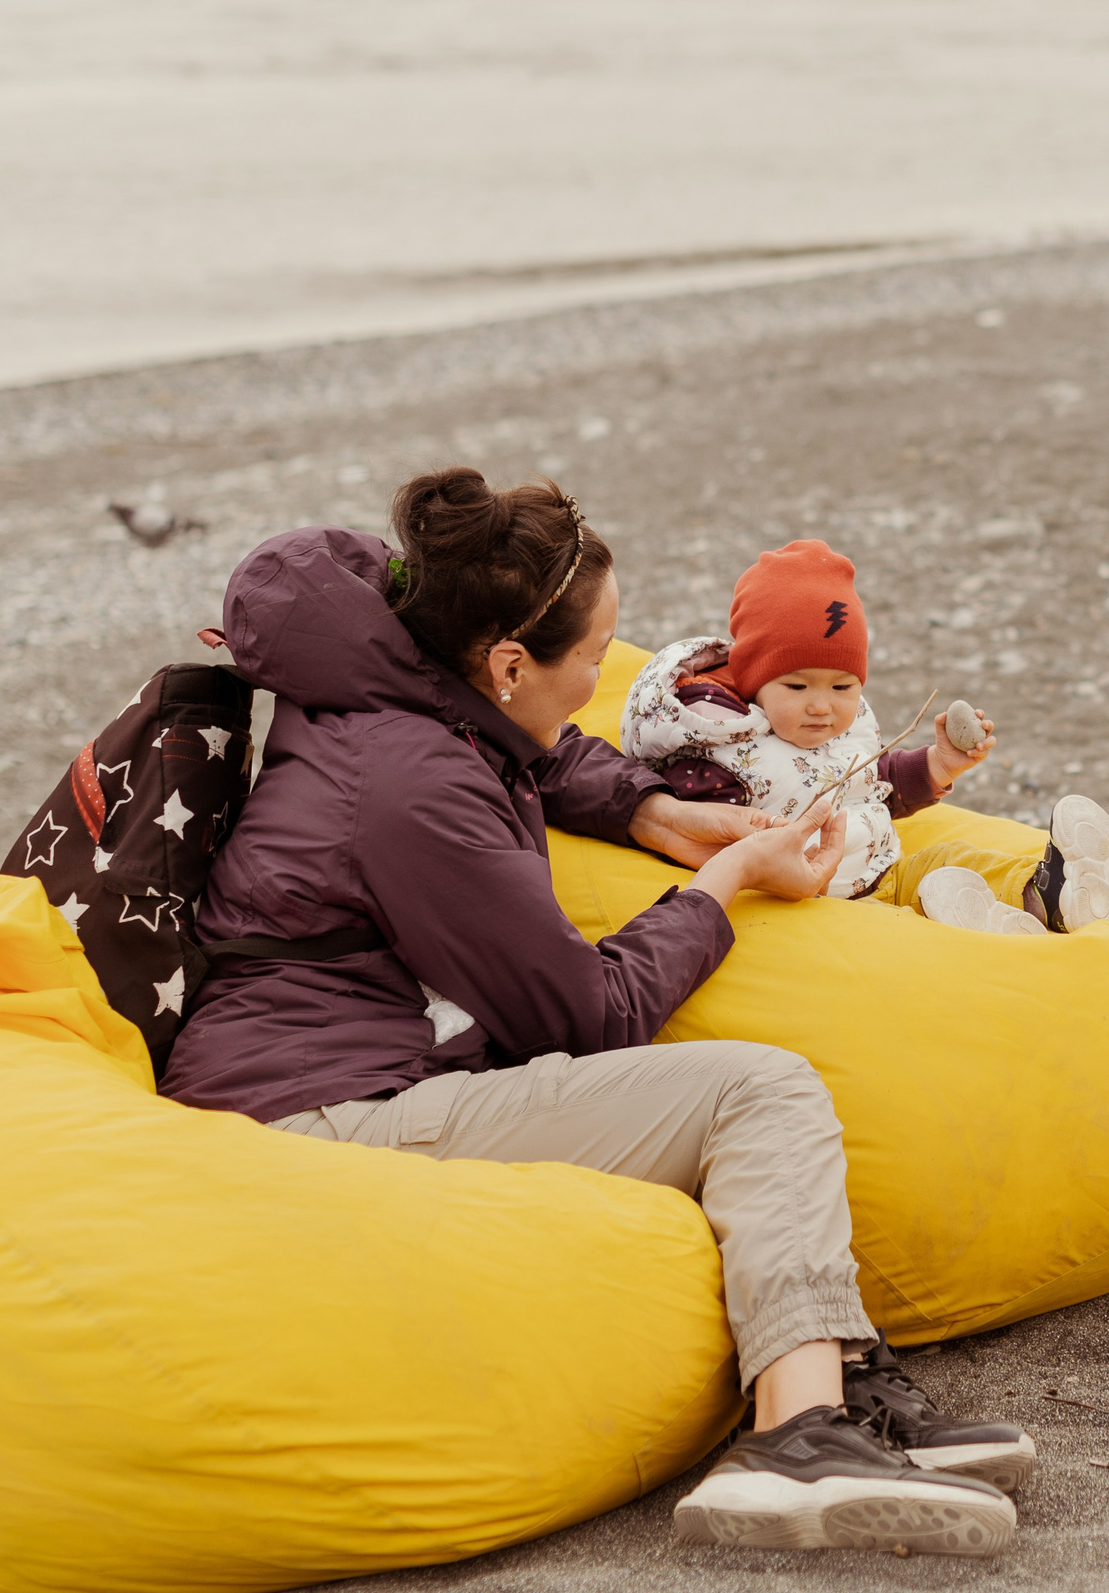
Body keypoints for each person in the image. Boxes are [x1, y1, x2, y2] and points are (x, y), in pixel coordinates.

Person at [157, 469, 1030, 1557]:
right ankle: (795, 1439)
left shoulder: (397, 677)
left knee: (736, 1100)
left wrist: (651, 808)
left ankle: (837, 1374)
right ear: (508, 663)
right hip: (321, 1117)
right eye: (594, 656)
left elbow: (540, 750)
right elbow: (591, 1012)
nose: (597, 684)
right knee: (760, 1090)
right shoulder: (413, 786)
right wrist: (729, 880)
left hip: (337, 1070)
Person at [620, 539, 1109, 937]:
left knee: (947, 862)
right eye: (796, 687)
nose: (822, 705)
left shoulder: (844, 725)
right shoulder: (717, 746)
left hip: (884, 871)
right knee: (897, 930)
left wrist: (940, 763)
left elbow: (877, 781)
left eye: (842, 687)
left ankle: (1048, 893)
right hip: (816, 900)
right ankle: (980, 927)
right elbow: (694, 832)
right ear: (754, 681)